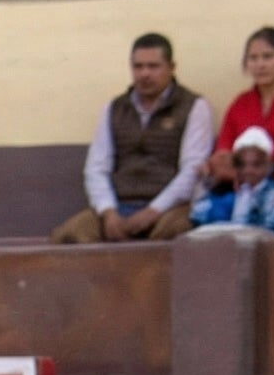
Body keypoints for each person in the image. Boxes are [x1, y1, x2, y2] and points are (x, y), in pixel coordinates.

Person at [51, 34, 212, 244]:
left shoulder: (194, 107)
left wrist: (152, 212)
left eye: (153, 66)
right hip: (119, 206)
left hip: (169, 209)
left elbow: (192, 170)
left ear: (171, 67)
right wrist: (108, 213)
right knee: (68, 236)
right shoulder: (115, 108)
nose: (145, 74)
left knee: (179, 233)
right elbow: (96, 168)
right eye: (138, 67)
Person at [207, 27, 274, 188]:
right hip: (241, 187)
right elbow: (223, 151)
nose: (260, 64)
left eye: (268, 57)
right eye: (253, 58)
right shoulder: (241, 103)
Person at [190, 128, 274, 230]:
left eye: (256, 164)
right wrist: (207, 180)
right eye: (242, 164)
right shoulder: (233, 192)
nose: (248, 170)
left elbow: (270, 229)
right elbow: (198, 215)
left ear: (268, 166)